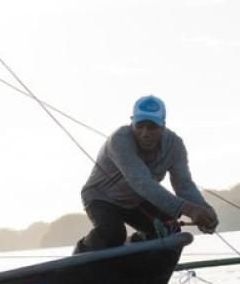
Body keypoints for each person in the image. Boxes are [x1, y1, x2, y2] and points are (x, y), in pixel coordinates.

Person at [74, 94, 218, 254]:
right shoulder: (119, 140)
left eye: (152, 127)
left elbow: (184, 185)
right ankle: (78, 255)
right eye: (140, 126)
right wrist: (190, 210)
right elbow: (142, 183)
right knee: (113, 234)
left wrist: (205, 210)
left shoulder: (175, 145)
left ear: (163, 126)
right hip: (101, 197)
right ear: (132, 123)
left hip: (136, 200)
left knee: (169, 229)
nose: (145, 133)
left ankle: (134, 253)